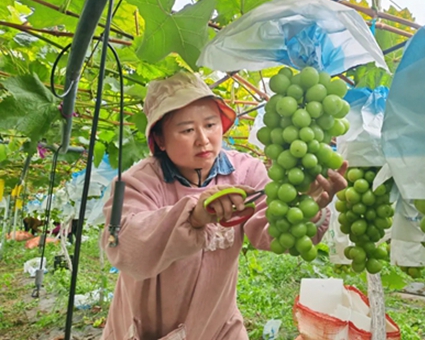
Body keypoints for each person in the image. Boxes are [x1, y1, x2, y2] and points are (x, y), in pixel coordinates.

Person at [100, 72, 348, 340]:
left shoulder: (245, 172)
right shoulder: (137, 183)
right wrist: (193, 215)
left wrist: (306, 204)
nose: (203, 139)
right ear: (159, 139)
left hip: (217, 324)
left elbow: (274, 233)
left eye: (210, 124)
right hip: (147, 329)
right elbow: (126, 248)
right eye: (186, 130)